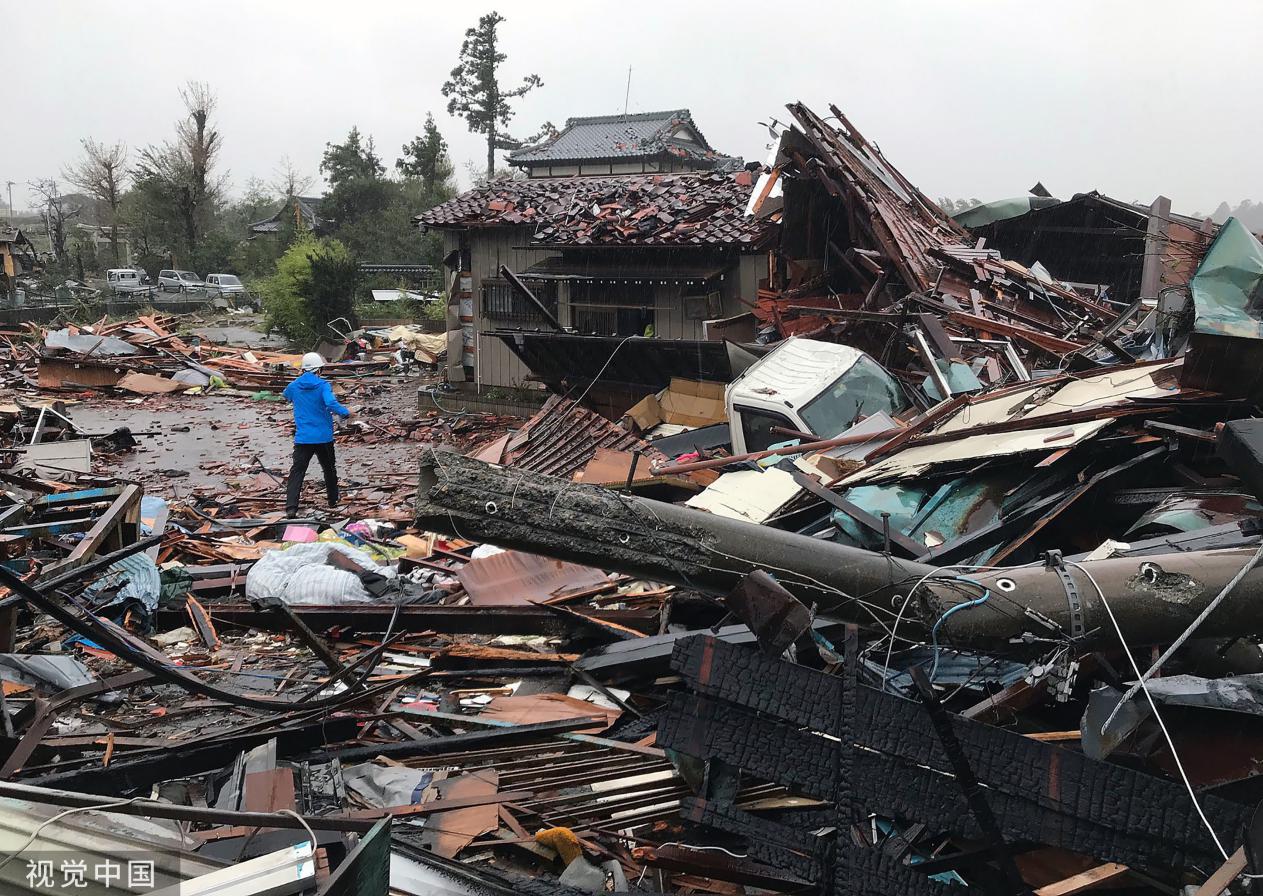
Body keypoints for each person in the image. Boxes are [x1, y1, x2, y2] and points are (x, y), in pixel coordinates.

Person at [282, 352, 351, 517]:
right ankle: (333, 500)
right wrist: (345, 413)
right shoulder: (323, 385)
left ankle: (291, 507)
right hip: (323, 437)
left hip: (303, 437)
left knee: (297, 472)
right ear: (318, 370)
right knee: (329, 469)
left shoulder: (294, 386)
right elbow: (330, 403)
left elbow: (286, 396)